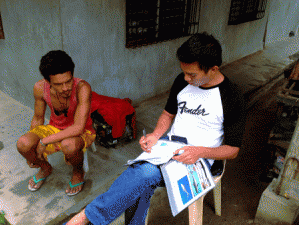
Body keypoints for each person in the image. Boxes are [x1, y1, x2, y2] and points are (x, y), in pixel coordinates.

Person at [64, 32, 246, 224]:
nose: (185, 78)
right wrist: (156, 135)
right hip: (170, 150)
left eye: (192, 74)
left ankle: (86, 217)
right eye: (184, 72)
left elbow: (233, 150)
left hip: (202, 162)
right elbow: (168, 114)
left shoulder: (232, 97)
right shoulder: (182, 81)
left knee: (141, 175)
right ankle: (94, 217)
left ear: (213, 69)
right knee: (138, 176)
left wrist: (198, 152)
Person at [17, 50, 96, 196]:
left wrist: (43, 142)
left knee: (69, 144)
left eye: (68, 81)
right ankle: (45, 168)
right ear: (48, 81)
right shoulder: (40, 88)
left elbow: (78, 128)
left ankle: (78, 172)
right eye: (59, 84)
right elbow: (38, 118)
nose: (65, 88)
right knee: (23, 143)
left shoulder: (82, 88)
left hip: (83, 131)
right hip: (55, 128)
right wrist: (32, 148)